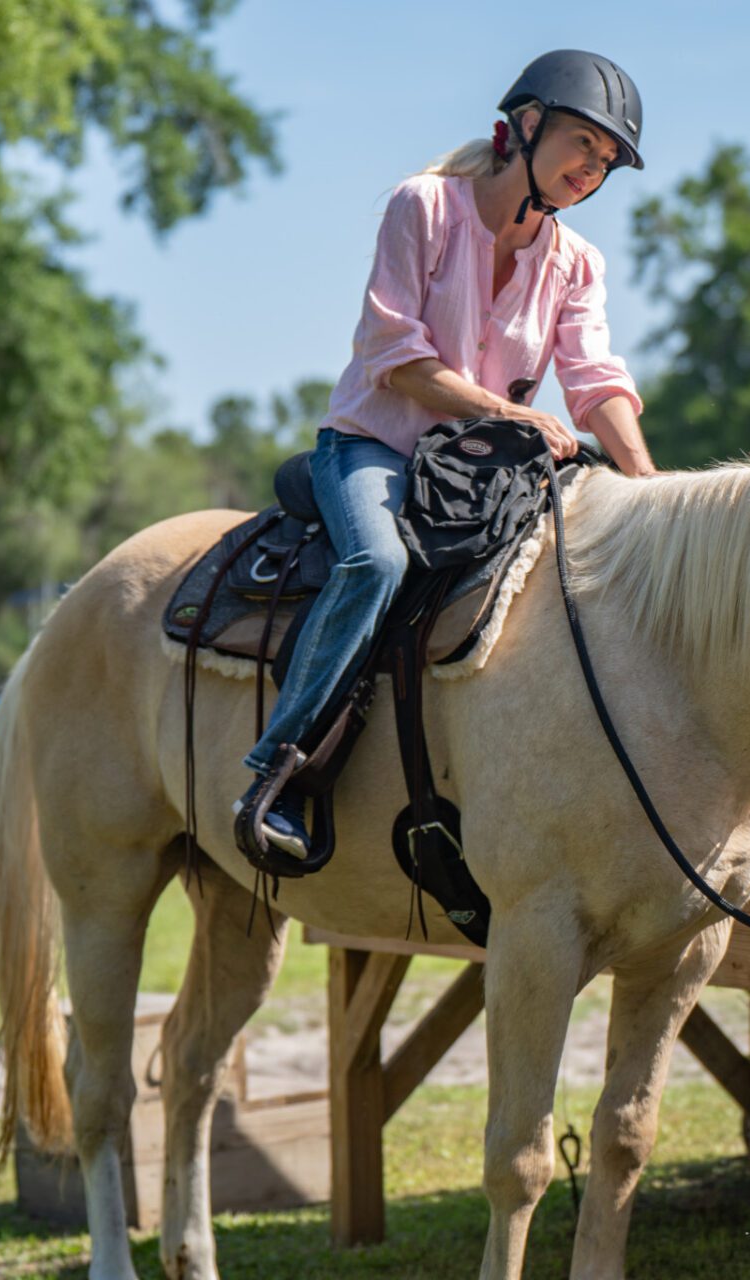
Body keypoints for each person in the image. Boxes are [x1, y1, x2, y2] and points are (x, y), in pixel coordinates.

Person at [238, 49, 658, 857]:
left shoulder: (578, 264)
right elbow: (393, 354)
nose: (590, 170)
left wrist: (646, 483)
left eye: (606, 162)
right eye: (581, 144)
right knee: (378, 567)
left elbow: (595, 377)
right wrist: (511, 413)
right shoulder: (423, 207)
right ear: (526, 126)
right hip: (374, 449)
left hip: (480, 475)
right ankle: (276, 772)